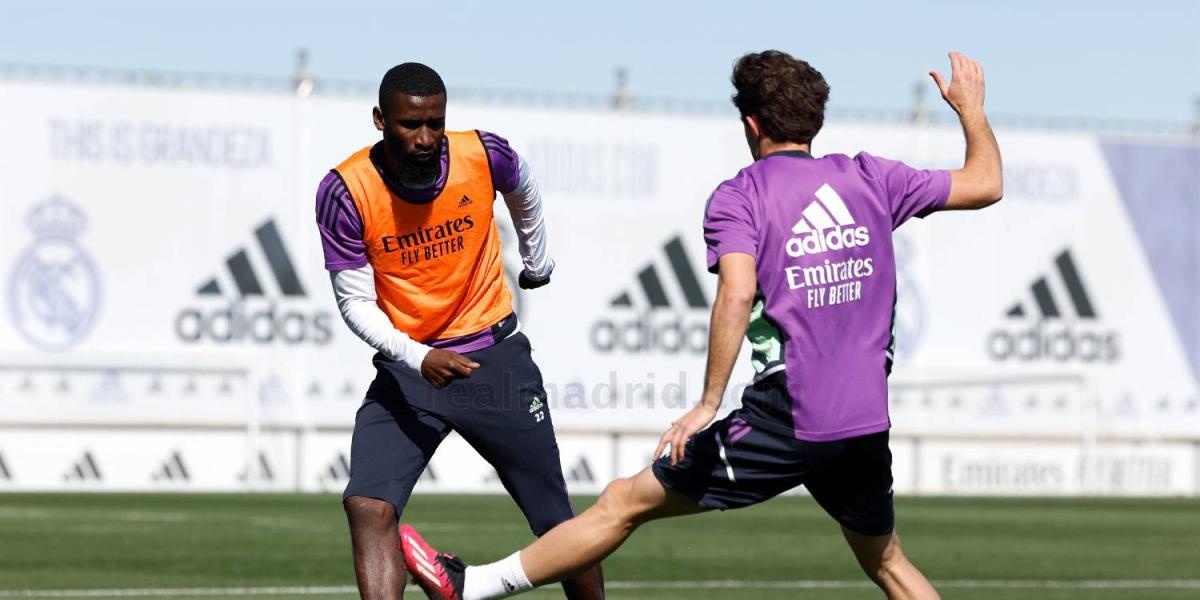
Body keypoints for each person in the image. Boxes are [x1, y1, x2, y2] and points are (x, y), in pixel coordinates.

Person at [399, 50, 1002, 600]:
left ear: (752, 125)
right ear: (813, 122)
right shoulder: (872, 178)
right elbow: (986, 183)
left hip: (792, 415)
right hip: (864, 420)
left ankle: (472, 588)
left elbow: (736, 293)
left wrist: (707, 404)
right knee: (888, 562)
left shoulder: (742, 196)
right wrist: (971, 112)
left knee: (623, 501)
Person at [314, 62, 605, 600]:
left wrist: (537, 261)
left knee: (556, 521)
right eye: (410, 125)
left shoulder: (483, 154)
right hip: (409, 372)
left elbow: (524, 188)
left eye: (435, 123)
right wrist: (416, 357)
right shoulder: (345, 191)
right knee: (367, 505)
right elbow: (354, 304)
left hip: (495, 364)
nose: (425, 139)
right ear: (380, 119)